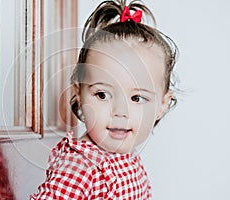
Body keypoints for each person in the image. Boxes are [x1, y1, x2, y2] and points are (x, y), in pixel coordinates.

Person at [30, 0, 178, 199]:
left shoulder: (128, 158)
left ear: (162, 104)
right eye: (102, 95)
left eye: (137, 98)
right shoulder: (79, 167)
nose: (120, 112)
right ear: (79, 95)